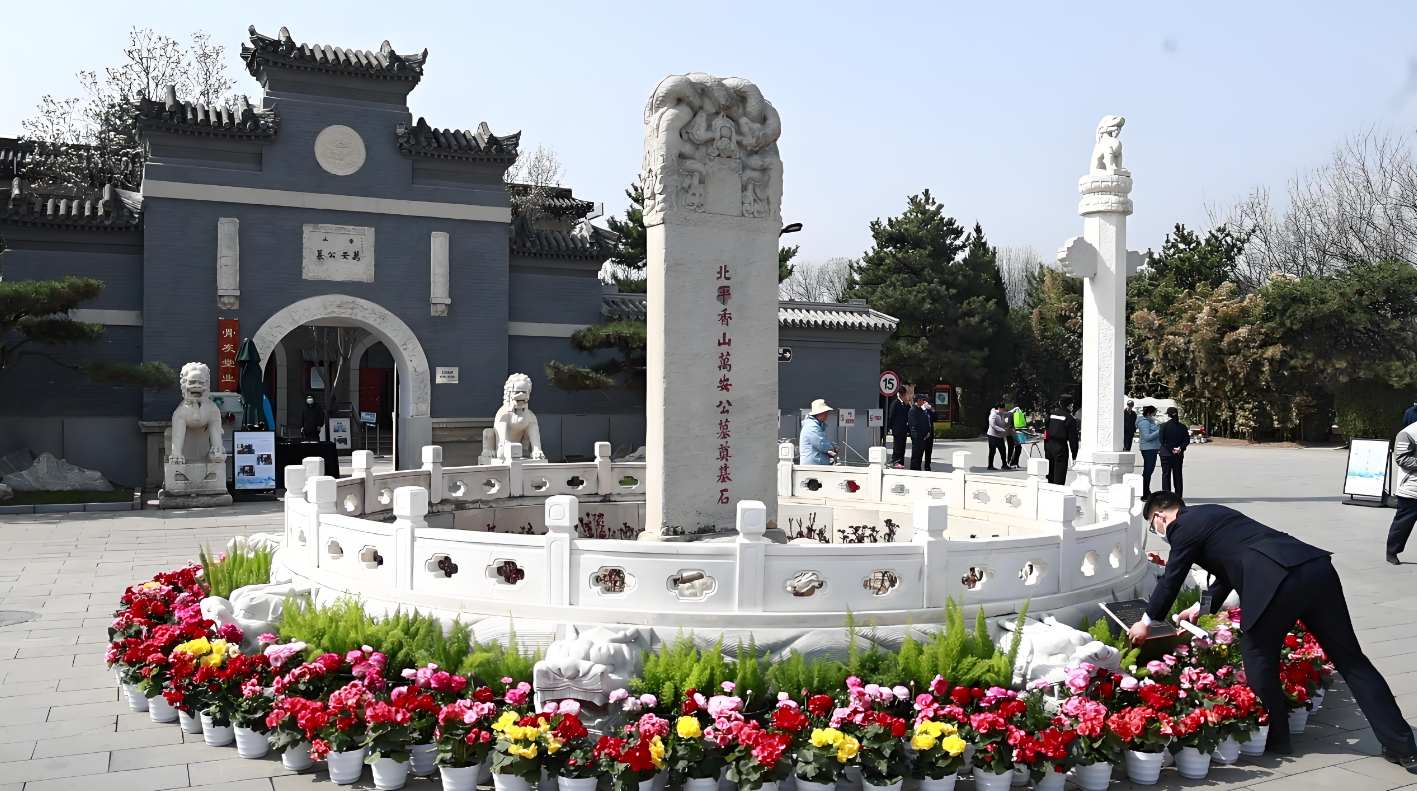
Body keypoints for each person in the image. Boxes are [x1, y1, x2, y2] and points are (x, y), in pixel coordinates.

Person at [1130, 492, 1417, 768]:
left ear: (1159, 516)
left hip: (1277, 582)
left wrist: (1147, 621)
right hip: (1315, 568)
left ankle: (1278, 735)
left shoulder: (1180, 525)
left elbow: (1172, 577)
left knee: (1257, 654)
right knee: (1352, 661)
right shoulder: (1212, 512)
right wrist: (1203, 608)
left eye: (1154, 527)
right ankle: (1401, 744)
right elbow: (1233, 562)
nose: (1160, 532)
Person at [1387, 418, 1417, 565]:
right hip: (1412, 489)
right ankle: (1392, 551)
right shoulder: (1407, 434)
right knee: (1403, 524)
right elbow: (1402, 459)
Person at [1043, 395, 1080, 485]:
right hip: (1060, 446)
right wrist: (1074, 454)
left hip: (1049, 445)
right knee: (1059, 473)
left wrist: (1046, 445)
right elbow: (1073, 438)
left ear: (1060, 403)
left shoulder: (1052, 415)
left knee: (1050, 472)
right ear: (1070, 405)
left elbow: (1046, 431)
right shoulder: (1070, 418)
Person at [1159, 406, 1189, 498]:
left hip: (1165, 454)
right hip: (1178, 455)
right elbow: (1186, 440)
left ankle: (1166, 496)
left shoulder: (1164, 426)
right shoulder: (1183, 427)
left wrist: (1170, 449)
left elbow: (1162, 440)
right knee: (1178, 475)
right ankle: (1178, 496)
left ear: (1168, 415)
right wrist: (1179, 448)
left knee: (1166, 475)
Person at [798, 399, 838, 465]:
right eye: (825, 412)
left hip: (815, 466)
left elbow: (821, 442)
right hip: (812, 467)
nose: (827, 414)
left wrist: (831, 446)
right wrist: (833, 447)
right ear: (819, 413)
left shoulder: (814, 425)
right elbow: (821, 443)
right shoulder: (811, 426)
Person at [1136, 405, 1161, 498]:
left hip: (1152, 448)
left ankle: (1146, 490)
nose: (1155, 415)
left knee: (1149, 470)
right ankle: (1144, 492)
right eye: (1154, 413)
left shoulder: (1150, 421)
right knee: (1148, 470)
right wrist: (1160, 431)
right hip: (1148, 449)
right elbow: (1147, 437)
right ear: (1149, 413)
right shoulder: (1143, 423)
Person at [908, 394, 934, 471]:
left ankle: (919, 468)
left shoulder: (921, 410)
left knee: (920, 454)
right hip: (917, 435)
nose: (923, 401)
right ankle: (914, 469)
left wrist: (928, 431)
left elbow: (926, 422)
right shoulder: (913, 410)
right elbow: (915, 424)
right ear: (918, 400)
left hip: (923, 436)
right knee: (916, 454)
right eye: (922, 400)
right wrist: (923, 432)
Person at [887, 391, 911, 468]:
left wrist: (907, 404)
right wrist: (891, 427)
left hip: (904, 429)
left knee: (902, 447)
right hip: (897, 429)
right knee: (897, 447)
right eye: (905, 394)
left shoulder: (905, 404)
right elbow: (891, 416)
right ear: (901, 394)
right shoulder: (895, 403)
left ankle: (901, 462)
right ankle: (895, 462)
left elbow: (908, 413)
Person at [986, 401, 1010, 470]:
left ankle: (1004, 465)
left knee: (1003, 450)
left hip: (1000, 436)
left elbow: (1009, 413)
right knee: (992, 451)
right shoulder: (993, 415)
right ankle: (990, 466)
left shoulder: (1002, 414)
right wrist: (1003, 430)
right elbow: (993, 425)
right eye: (1002, 409)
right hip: (992, 435)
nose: (1003, 410)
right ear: (999, 408)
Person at [920, 397, 936, 471]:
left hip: (930, 433)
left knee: (929, 451)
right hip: (923, 433)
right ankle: (918, 465)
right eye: (927, 403)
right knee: (920, 450)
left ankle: (927, 466)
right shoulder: (921, 409)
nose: (928, 404)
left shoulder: (930, 411)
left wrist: (933, 411)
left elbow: (935, 419)